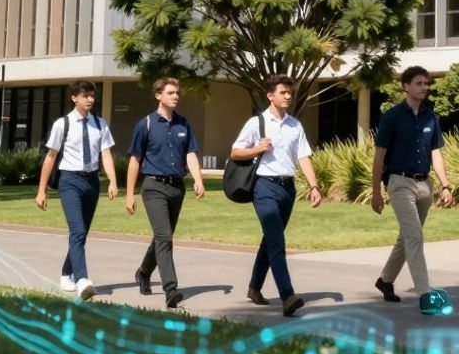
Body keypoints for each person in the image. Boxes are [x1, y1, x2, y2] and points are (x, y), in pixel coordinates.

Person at [229, 74, 323, 317]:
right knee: (277, 241)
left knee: (270, 240)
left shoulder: (295, 125)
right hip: (264, 187)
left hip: (287, 189)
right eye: (283, 92)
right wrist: (257, 148)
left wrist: (314, 187)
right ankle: (287, 296)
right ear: (270, 95)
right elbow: (235, 152)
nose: (288, 96)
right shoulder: (256, 123)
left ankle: (254, 288)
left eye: (290, 92)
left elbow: (303, 157)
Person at [370, 65, 454, 313]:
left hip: (424, 184)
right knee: (415, 237)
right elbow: (380, 155)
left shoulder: (431, 118)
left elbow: (435, 153)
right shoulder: (392, 117)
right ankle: (425, 294)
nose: (424, 87)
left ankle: (385, 280)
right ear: (405, 86)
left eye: (426, 83)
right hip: (399, 183)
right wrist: (376, 192)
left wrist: (445, 185)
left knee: (407, 237)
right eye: (419, 83)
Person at [125, 77, 206, 309]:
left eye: (177, 93)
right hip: (153, 187)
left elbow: (190, 153)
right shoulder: (146, 124)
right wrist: (129, 194)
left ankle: (143, 272)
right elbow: (134, 160)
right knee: (165, 237)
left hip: (177, 188)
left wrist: (198, 179)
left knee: (163, 236)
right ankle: (171, 289)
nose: (176, 96)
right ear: (158, 95)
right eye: (171, 92)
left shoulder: (184, 124)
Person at [35, 80, 119, 301]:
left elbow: (106, 154)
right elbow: (50, 157)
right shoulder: (62, 124)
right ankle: (82, 280)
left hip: (92, 181)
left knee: (81, 233)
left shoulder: (100, 124)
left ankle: (67, 272)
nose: (90, 99)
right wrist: (41, 190)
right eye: (85, 96)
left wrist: (112, 180)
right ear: (74, 98)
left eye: (92, 96)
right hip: (69, 180)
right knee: (78, 230)